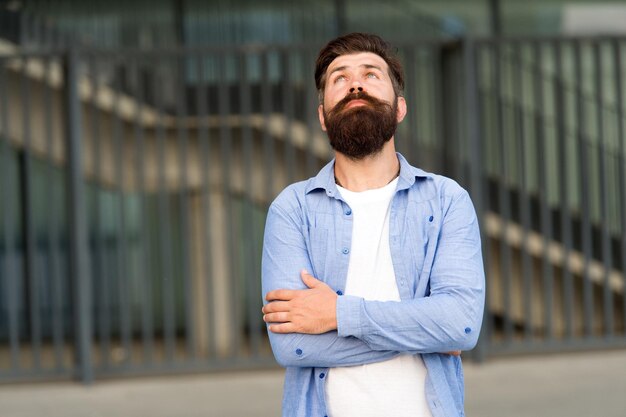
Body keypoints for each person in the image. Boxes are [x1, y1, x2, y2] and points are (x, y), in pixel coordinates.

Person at [261, 32, 485, 417]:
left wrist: (338, 314)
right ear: (321, 116)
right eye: (340, 79)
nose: (356, 84)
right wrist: (425, 334)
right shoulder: (291, 209)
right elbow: (293, 345)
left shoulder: (447, 201)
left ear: (400, 108)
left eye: (370, 74)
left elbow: (461, 325)